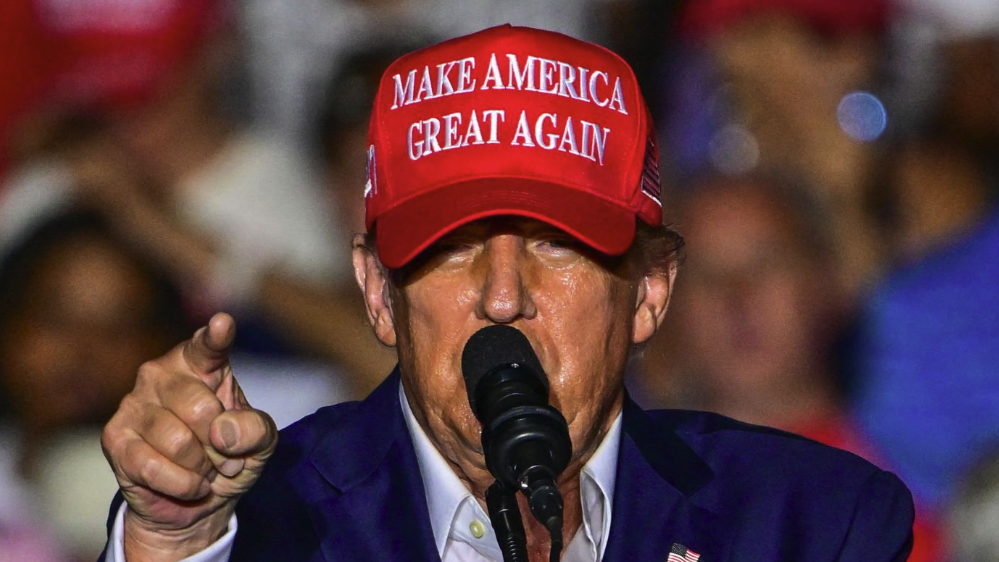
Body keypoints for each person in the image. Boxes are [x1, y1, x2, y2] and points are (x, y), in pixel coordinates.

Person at [97, 25, 914, 562]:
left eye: (555, 247)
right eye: (450, 251)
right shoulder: (255, 525)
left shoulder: (808, 525)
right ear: (378, 294)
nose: (499, 297)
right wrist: (175, 540)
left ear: (651, 291)